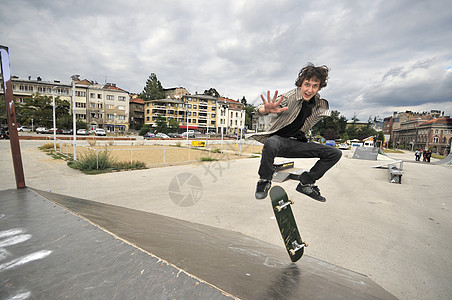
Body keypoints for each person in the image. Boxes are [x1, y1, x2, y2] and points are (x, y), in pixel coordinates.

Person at [250, 63, 342, 202]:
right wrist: (266, 109)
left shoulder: (318, 103)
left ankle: (306, 183)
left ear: (319, 88)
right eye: (307, 84)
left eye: (314, 86)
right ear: (300, 84)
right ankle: (264, 180)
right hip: (279, 143)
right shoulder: (288, 97)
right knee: (271, 142)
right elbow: (259, 110)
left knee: (334, 153)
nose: (309, 90)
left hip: (297, 143)